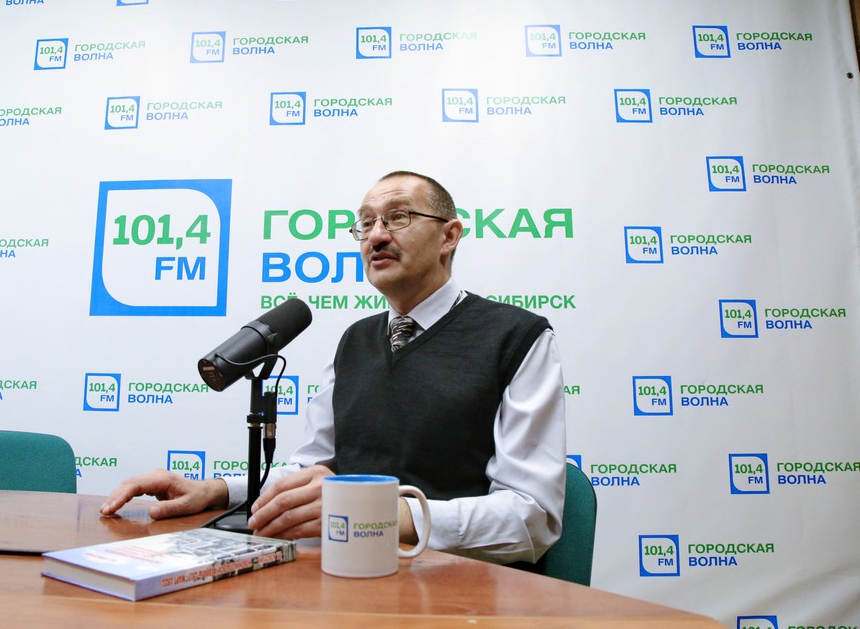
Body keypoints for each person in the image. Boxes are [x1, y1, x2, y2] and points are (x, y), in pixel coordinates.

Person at [101, 171, 566, 565]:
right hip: (345, 573)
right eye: (366, 224)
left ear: (449, 236)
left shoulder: (518, 337)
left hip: (459, 591)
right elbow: (311, 470)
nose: (376, 236)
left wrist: (385, 514)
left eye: (398, 217)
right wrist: (217, 491)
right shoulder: (355, 341)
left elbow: (533, 518)